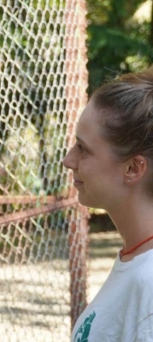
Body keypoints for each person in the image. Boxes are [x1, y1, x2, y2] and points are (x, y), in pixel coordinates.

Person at [64, 69, 153, 341]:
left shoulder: (148, 285)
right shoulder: (136, 262)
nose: (69, 160)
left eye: (83, 148)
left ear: (133, 168)